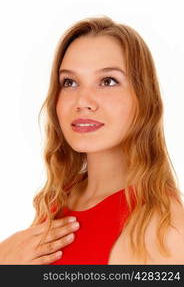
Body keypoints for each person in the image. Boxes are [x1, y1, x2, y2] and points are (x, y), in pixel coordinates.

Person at [0, 15, 184, 265]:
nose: (83, 101)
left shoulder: (161, 229)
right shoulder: (59, 199)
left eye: (108, 81)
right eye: (70, 82)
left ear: (144, 98)